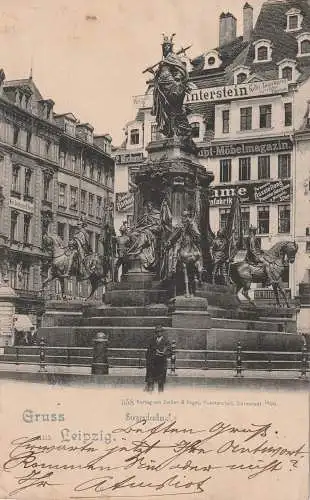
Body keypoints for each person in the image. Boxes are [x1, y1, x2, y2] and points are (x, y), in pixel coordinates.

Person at [145, 325, 172, 393]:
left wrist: (163, 353)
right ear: (155, 333)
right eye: (157, 332)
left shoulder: (166, 341)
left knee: (161, 383)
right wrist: (152, 355)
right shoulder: (152, 340)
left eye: (160, 332)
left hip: (162, 364)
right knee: (151, 382)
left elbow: (169, 351)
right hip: (153, 364)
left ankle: (160, 396)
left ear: (162, 332)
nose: (159, 333)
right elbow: (148, 352)